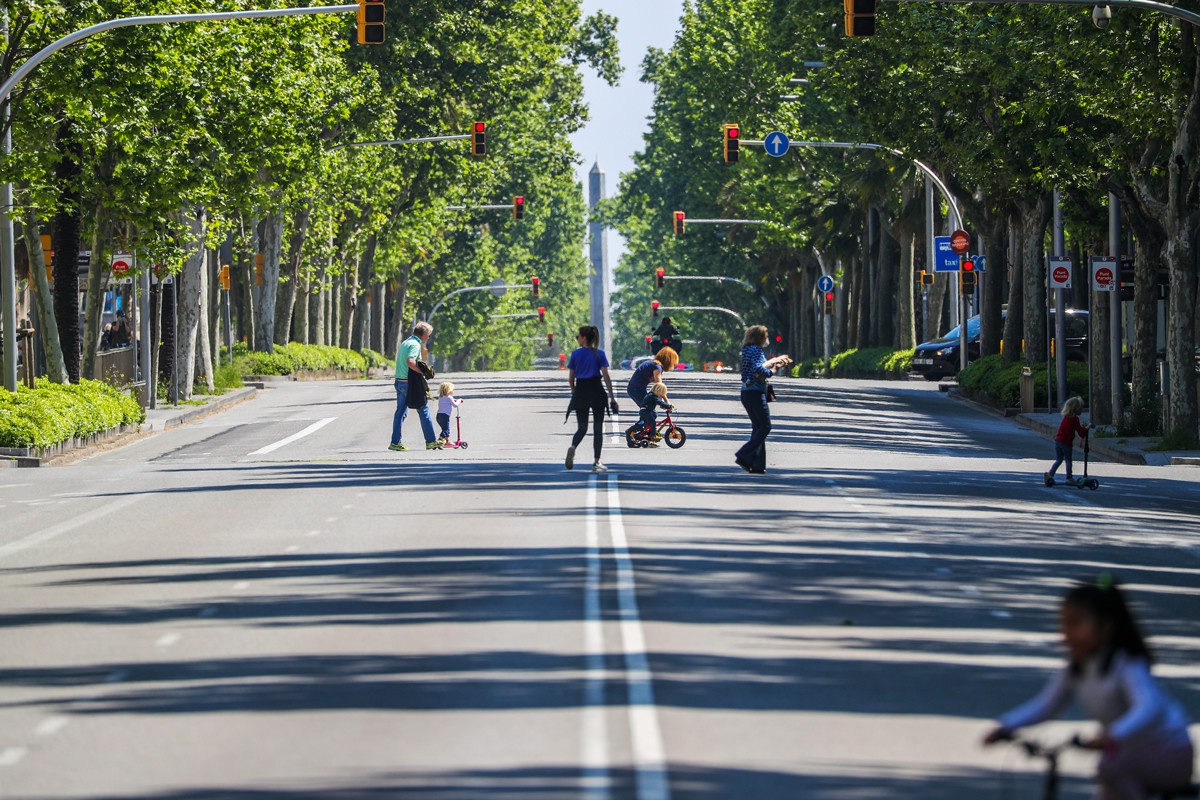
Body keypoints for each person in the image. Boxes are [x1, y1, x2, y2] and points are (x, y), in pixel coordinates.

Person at [983, 576, 1194, 800]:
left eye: (1075, 623)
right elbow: (1046, 706)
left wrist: (1114, 735)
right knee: (1107, 780)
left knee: (1109, 766)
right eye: (1064, 623)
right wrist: (1005, 726)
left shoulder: (1126, 664)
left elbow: (1149, 708)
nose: (1066, 633)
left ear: (1106, 625)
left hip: (1171, 753)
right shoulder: (1077, 669)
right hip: (1126, 756)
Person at [735, 325, 790, 474]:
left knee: (757, 427)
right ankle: (744, 454)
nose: (767, 340)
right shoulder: (756, 350)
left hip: (746, 392)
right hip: (755, 392)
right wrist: (771, 371)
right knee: (765, 426)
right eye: (765, 337)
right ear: (759, 338)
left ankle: (757, 464)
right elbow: (758, 370)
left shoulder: (746, 350)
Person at [566, 325, 618, 472]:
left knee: (582, 427)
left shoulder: (576, 355)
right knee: (597, 428)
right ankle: (597, 462)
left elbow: (571, 379)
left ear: (583, 338)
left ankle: (573, 446)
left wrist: (575, 392)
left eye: (578, 336)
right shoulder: (599, 354)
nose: (578, 339)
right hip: (596, 390)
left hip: (581, 390)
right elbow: (606, 376)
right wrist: (612, 398)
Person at [389, 321, 442, 452]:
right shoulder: (414, 344)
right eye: (428, 335)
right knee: (423, 410)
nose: (428, 338)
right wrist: (422, 371)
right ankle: (430, 441)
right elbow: (410, 361)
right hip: (409, 384)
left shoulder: (406, 342)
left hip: (399, 381)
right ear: (424, 334)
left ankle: (395, 442)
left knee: (400, 413)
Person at [1046, 396, 1089, 485]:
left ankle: (1050, 475)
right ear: (1077, 409)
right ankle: (1069, 477)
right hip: (1066, 443)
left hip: (1058, 441)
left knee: (1059, 460)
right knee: (1068, 460)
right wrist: (1087, 427)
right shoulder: (1075, 419)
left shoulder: (1066, 417)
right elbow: (1081, 433)